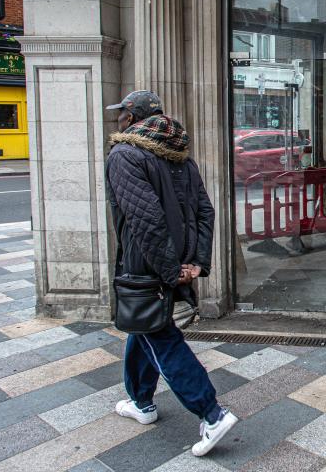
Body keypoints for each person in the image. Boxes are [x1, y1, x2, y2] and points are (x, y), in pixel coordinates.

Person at [105, 90, 238, 457]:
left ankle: (212, 414)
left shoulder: (125, 156)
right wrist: (195, 263)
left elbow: (146, 222)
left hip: (147, 265)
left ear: (132, 118)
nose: (118, 118)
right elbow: (203, 213)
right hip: (172, 262)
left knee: (159, 337)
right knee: (145, 326)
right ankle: (141, 401)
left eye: (122, 113)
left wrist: (170, 271)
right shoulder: (181, 159)